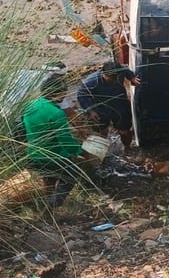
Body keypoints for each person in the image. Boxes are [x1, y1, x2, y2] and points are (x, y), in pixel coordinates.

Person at [23, 75, 83, 207]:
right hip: (52, 156)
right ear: (58, 93)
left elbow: (22, 128)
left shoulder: (30, 106)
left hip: (33, 154)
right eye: (64, 93)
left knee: (49, 177)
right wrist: (79, 151)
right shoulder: (57, 113)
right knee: (72, 174)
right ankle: (53, 205)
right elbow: (65, 140)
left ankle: (47, 203)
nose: (65, 95)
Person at [77, 61, 140, 152]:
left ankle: (127, 148)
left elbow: (126, 70)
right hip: (100, 108)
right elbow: (81, 95)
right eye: (112, 77)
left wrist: (132, 78)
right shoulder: (92, 81)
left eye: (117, 76)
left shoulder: (120, 71)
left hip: (120, 105)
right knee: (101, 132)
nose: (115, 79)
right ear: (104, 74)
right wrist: (90, 110)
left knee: (125, 131)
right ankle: (102, 152)